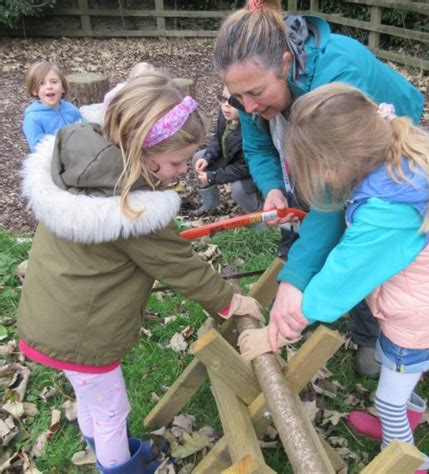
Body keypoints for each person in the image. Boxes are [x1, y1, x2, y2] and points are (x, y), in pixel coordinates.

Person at [17, 74, 264, 474]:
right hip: (83, 332)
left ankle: (101, 448)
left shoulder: (86, 167)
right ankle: (117, 466)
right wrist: (229, 300)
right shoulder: (134, 207)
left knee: (90, 397)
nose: (182, 170)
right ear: (141, 149)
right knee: (113, 408)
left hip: (51, 315)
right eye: (175, 162)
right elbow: (178, 264)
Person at [238, 83, 429, 474]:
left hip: (415, 319)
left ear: (338, 162)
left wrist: (277, 333)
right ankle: (405, 417)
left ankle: (410, 463)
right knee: (389, 365)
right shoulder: (389, 167)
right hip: (412, 306)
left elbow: (344, 275)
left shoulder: (388, 210)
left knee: (391, 394)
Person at [213, 0, 425, 377]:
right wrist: (273, 187)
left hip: (372, 151)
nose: (246, 105)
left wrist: (295, 282)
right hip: (319, 157)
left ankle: (370, 335)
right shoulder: (252, 92)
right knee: (308, 229)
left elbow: (333, 201)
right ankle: (310, 295)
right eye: (237, 97)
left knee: (356, 233)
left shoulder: (340, 70)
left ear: (283, 62)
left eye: (255, 93)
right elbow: (258, 145)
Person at [191, 85, 262, 216]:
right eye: (223, 99)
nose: (226, 105)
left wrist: (213, 177)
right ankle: (211, 204)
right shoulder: (226, 115)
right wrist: (208, 157)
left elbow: (244, 168)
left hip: (251, 170)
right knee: (199, 157)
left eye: (232, 101)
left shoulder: (251, 127)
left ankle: (257, 217)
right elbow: (218, 139)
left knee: (238, 189)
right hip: (231, 158)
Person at [23, 61, 82, 152]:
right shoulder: (33, 118)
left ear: (62, 87)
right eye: (42, 83)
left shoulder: (71, 109)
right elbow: (38, 150)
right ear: (34, 90)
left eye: (54, 82)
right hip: (53, 161)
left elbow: (85, 130)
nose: (49, 86)